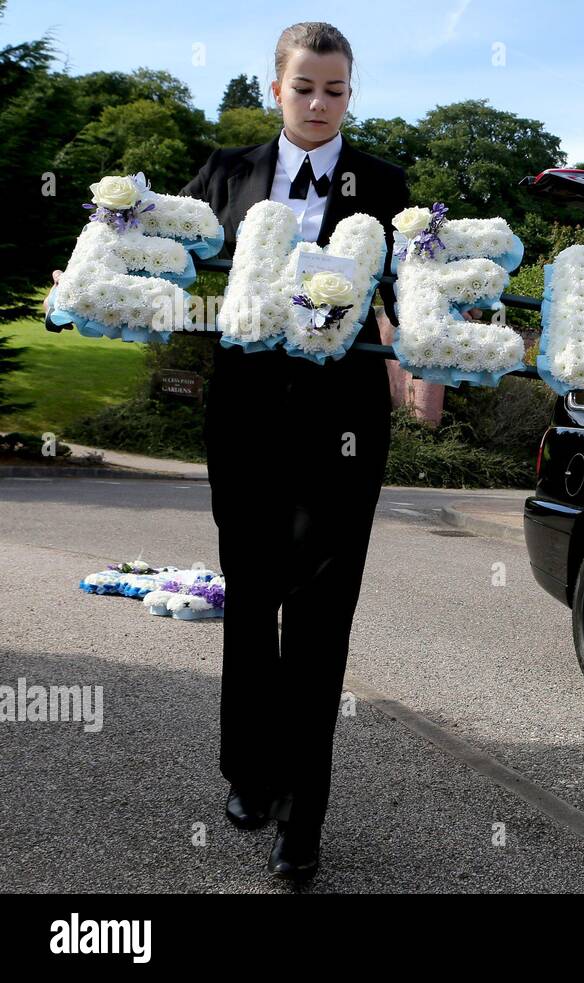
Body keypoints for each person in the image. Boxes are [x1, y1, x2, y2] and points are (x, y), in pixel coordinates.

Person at [44, 21, 469, 881]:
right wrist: (82, 287)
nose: (319, 104)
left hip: (344, 427)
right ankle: (247, 768)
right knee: (252, 592)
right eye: (304, 87)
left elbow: (413, 296)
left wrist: (434, 368)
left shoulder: (384, 184)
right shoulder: (225, 171)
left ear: (352, 94)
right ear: (275, 87)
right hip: (245, 416)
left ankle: (301, 818)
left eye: (336, 91)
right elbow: (163, 259)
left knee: (319, 614)